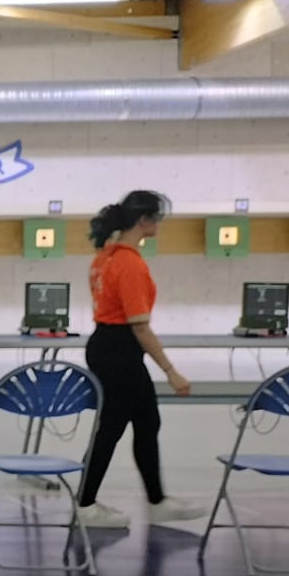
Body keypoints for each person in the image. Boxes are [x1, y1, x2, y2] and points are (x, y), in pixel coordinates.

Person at [75, 191, 203, 530]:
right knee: (111, 428)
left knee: (147, 422)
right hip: (120, 350)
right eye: (157, 218)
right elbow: (140, 327)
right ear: (144, 221)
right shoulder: (129, 264)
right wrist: (171, 371)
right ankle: (85, 503)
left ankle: (157, 501)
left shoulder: (105, 257)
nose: (159, 224)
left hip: (108, 345)